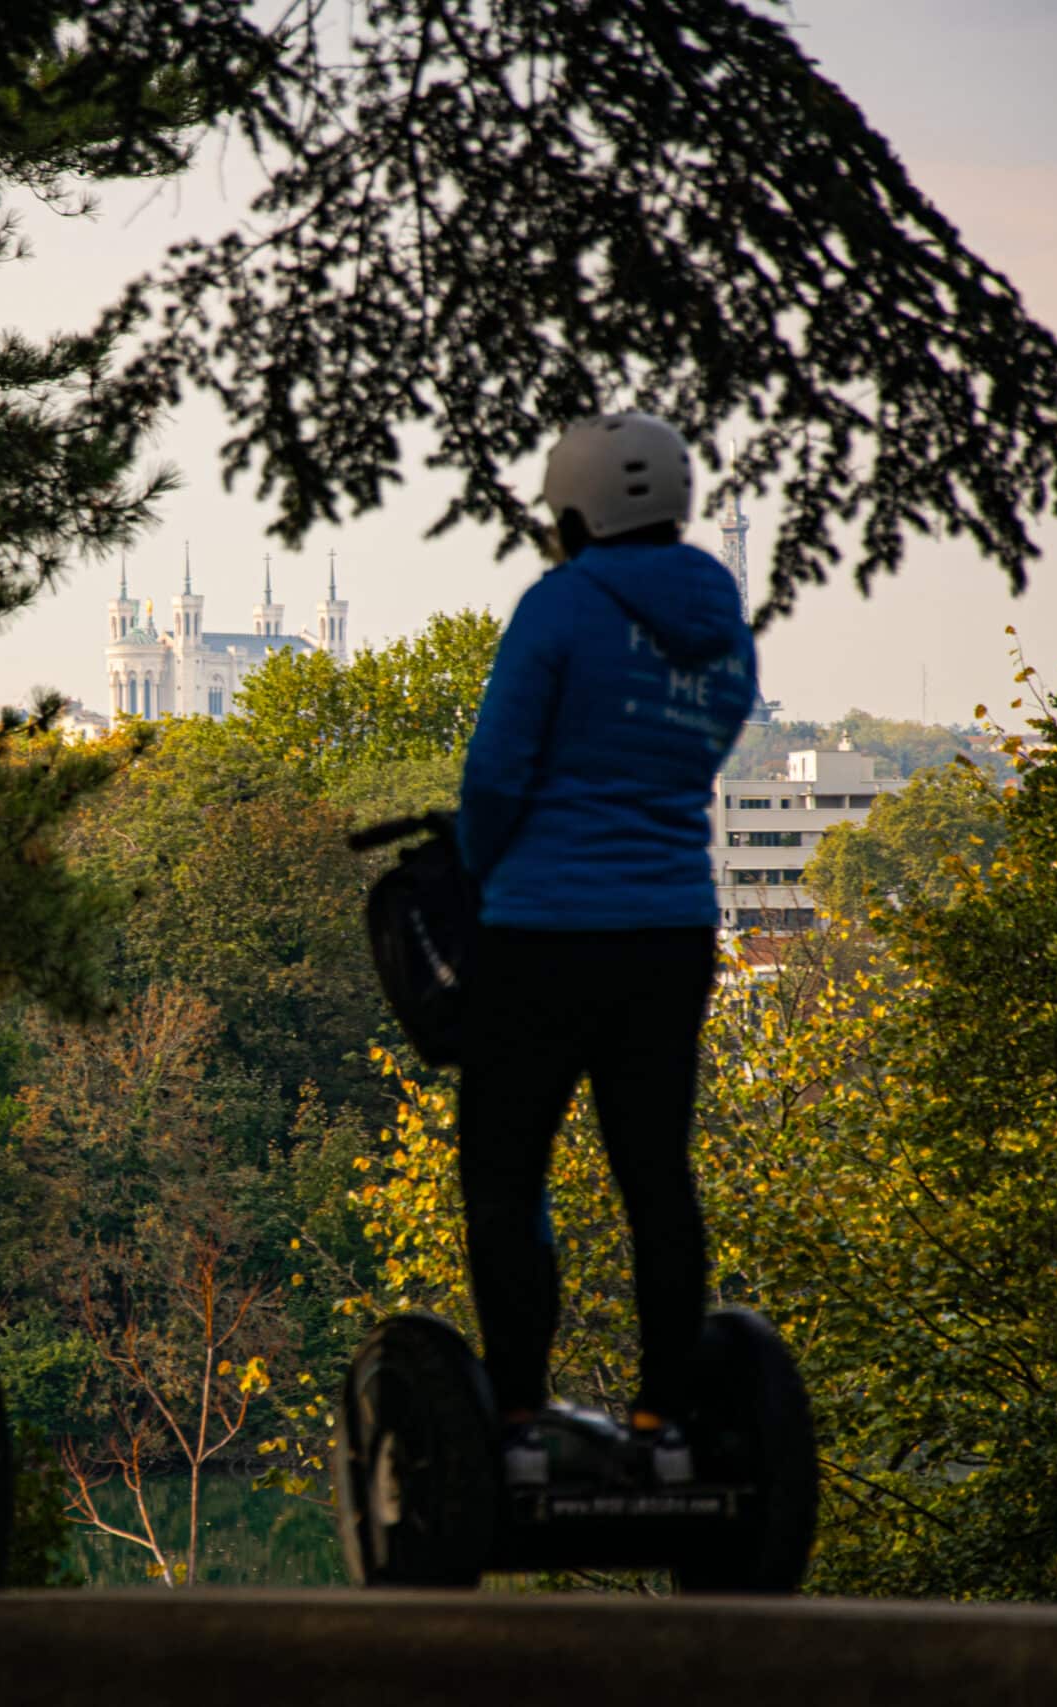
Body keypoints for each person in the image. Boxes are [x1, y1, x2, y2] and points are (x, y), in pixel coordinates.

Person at [453, 411, 756, 1483]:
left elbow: (493, 777)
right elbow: (702, 748)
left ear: (574, 511)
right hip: (671, 932)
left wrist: (479, 870)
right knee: (653, 1177)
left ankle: (519, 1420)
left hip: (542, 933)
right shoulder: (722, 614)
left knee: (504, 1171)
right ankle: (663, 1423)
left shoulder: (559, 607)